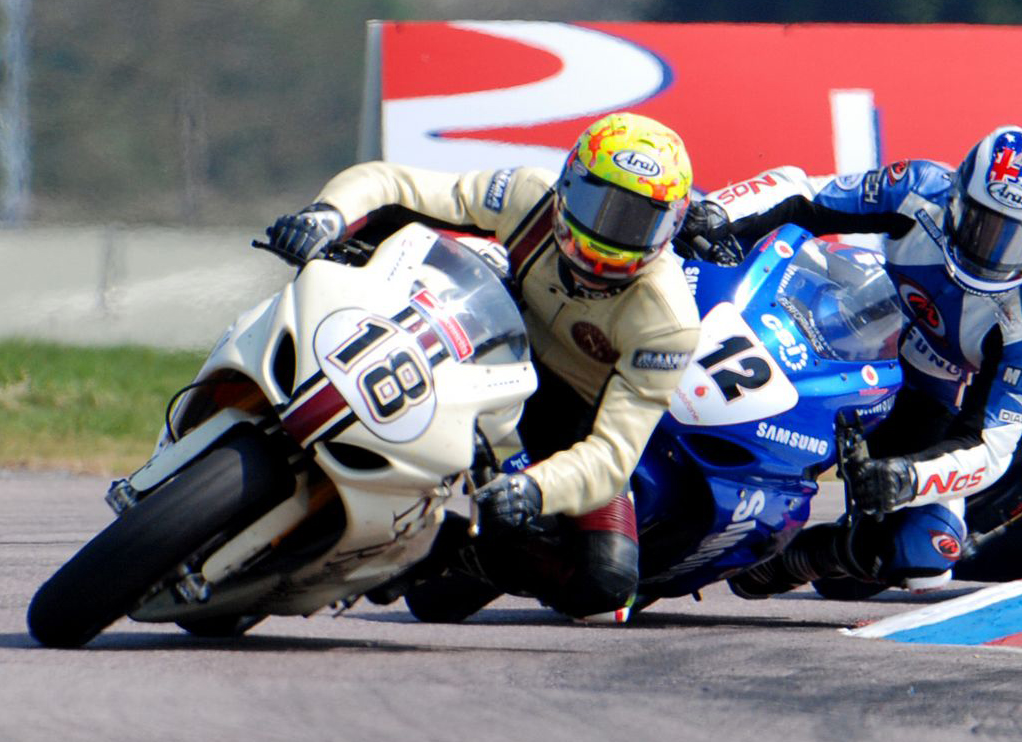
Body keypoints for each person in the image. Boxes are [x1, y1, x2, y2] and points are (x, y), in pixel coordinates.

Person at [260, 112, 701, 620]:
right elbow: (392, 184)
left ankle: (451, 546)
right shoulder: (525, 193)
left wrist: (534, 490)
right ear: (567, 183)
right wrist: (327, 216)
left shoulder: (668, 322)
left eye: (633, 221)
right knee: (391, 218)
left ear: (671, 225)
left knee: (605, 584)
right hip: (473, 344)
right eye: (595, 204)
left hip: (566, 420)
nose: (607, 234)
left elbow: (611, 455)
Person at [682, 126, 1022, 597]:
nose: (988, 253)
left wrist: (908, 478)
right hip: (840, 322)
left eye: (1014, 240)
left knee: (926, 557)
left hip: (925, 396)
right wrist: (720, 211)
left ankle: (806, 555)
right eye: (980, 225)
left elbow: (991, 447)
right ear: (957, 199)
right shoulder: (919, 188)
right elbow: (805, 193)